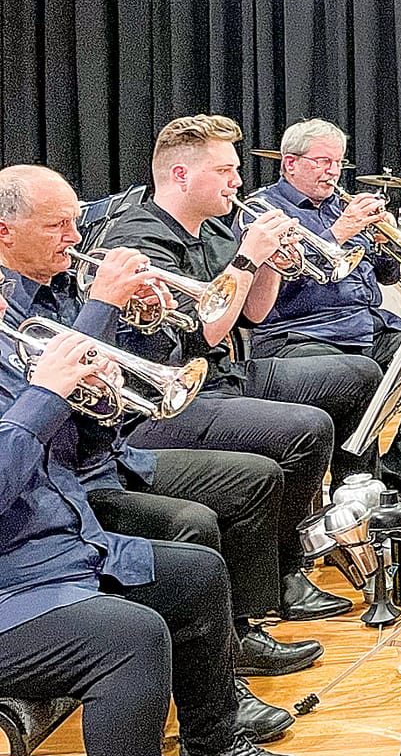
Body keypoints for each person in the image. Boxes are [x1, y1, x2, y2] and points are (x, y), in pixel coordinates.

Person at [0, 164, 317, 680]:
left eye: (75, 221)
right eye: (58, 225)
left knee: (255, 479)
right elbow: (50, 415)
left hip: (111, 453)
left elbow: (127, 383)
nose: (75, 238)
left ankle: (241, 634)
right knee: (192, 525)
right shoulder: (12, 309)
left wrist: (145, 323)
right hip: (65, 484)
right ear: (6, 232)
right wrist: (102, 307)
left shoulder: (62, 284)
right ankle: (204, 669)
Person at [0, 330, 303, 756]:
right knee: (130, 640)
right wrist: (44, 397)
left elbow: (68, 462)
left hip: (54, 551)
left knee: (196, 575)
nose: (7, 304)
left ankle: (208, 752)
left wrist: (99, 410)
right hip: (13, 587)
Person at [100, 115, 357, 621]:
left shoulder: (214, 226)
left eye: (235, 170)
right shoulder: (140, 238)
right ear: (180, 175)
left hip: (222, 372)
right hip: (168, 401)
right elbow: (200, 334)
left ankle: (345, 512)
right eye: (224, 171)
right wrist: (246, 259)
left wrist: (271, 263)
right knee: (307, 430)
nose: (238, 182)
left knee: (356, 375)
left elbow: (254, 313)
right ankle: (281, 574)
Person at [242, 118, 401, 492]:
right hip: (303, 333)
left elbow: (388, 276)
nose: (333, 172)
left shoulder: (340, 206)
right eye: (323, 162)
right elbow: (273, 288)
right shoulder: (263, 211)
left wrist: (386, 240)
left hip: (366, 324)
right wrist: (340, 232)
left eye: (338, 163)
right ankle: (356, 485)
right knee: (361, 373)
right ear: (290, 163)